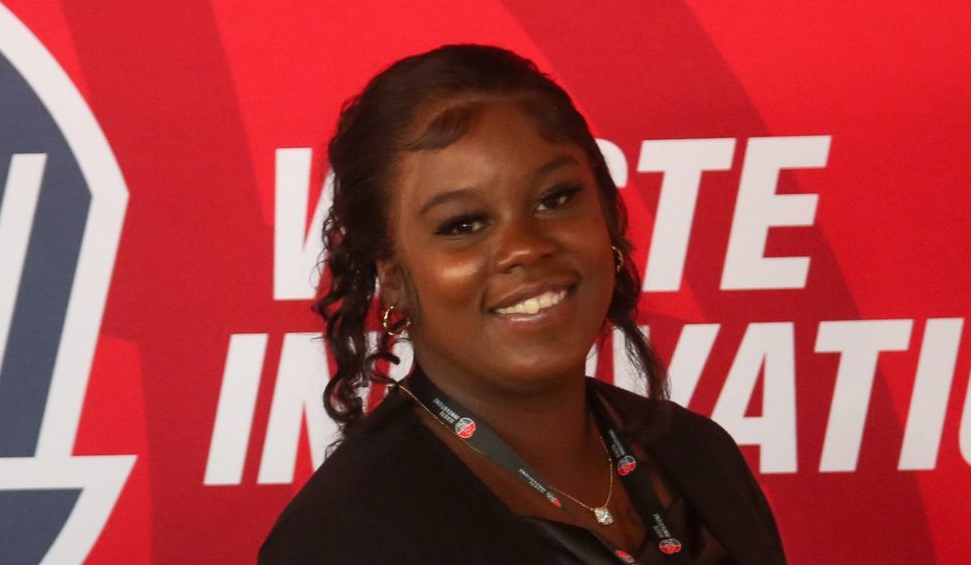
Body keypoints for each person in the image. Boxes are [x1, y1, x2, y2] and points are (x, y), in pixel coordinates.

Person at [260, 45, 785, 564]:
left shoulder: (698, 454)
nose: (525, 248)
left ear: (606, 216)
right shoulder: (344, 538)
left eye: (555, 199)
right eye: (463, 225)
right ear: (393, 279)